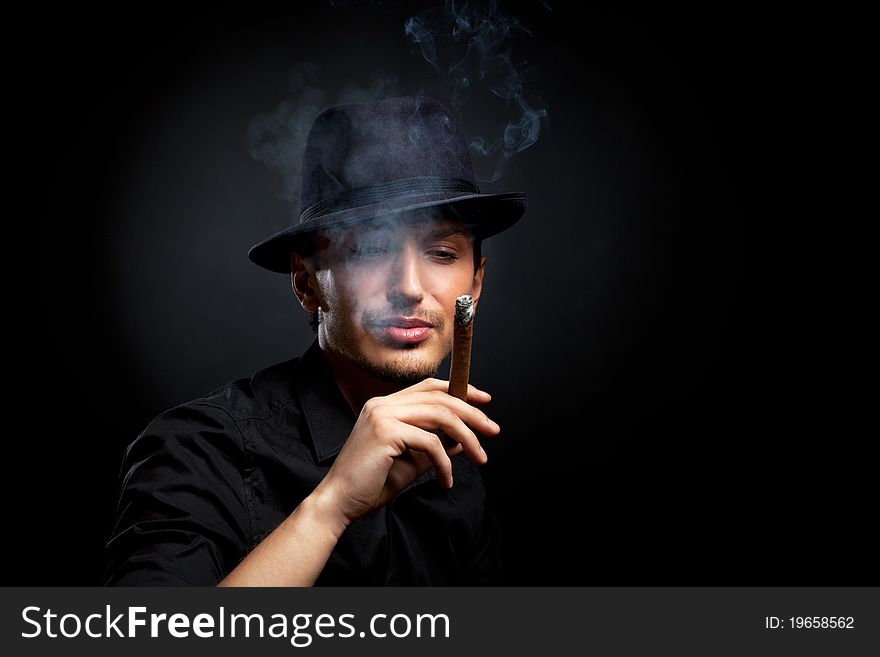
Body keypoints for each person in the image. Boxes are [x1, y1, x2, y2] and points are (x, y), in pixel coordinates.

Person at [104, 95, 527, 586]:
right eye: (370, 249)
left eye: (440, 252)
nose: (409, 286)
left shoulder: (458, 468)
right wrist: (331, 507)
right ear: (306, 282)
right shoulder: (199, 450)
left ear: (474, 284)